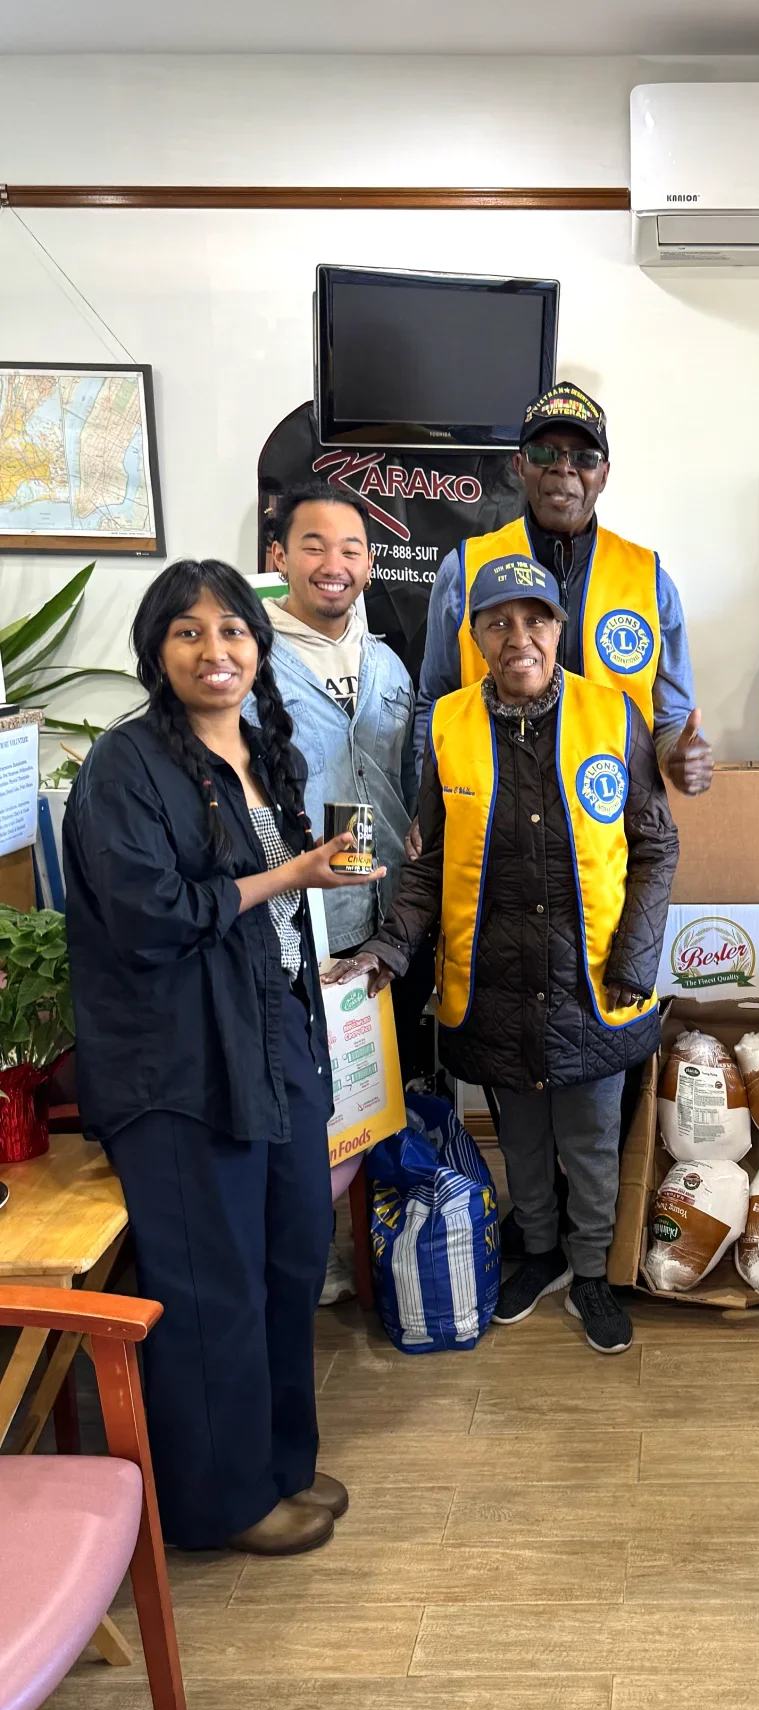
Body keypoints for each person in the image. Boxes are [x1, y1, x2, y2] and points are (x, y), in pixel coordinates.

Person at [63, 560, 385, 1556]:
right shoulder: (124, 767)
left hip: (272, 1034)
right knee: (212, 1286)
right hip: (177, 1063)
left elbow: (281, 914)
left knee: (291, 1259)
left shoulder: (261, 751)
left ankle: (278, 1462)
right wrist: (285, 872)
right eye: (189, 633)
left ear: (260, 643)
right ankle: (218, 1503)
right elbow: (150, 916)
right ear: (156, 651)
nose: (218, 651)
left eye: (235, 631)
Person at [331, 553, 678, 1355]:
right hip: (493, 977)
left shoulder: (613, 715)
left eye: (536, 619)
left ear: (560, 628)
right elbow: (425, 858)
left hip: (593, 978)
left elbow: (656, 844)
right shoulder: (448, 723)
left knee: (591, 1138)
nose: (518, 636)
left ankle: (590, 1268)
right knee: (519, 1133)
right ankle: (543, 1252)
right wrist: (388, 947)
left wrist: (636, 955)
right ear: (477, 634)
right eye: (498, 621)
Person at [262, 480, 427, 1300]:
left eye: (352, 548)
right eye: (315, 546)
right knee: (306, 1096)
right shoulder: (253, 662)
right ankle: (312, 1250)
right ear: (279, 557)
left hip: (387, 919)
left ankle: (389, 1246)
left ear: (370, 562)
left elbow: (409, 777)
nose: (334, 565)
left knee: (377, 1086)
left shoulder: (389, 662)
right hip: (298, 924)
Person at [415, 381, 712, 802]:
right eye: (544, 454)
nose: (564, 468)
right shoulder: (464, 569)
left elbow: (670, 721)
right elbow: (434, 704)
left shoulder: (650, 578)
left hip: (612, 827)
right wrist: (425, 809)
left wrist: (680, 755)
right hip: (491, 817)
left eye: (584, 457)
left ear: (604, 475)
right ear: (519, 466)